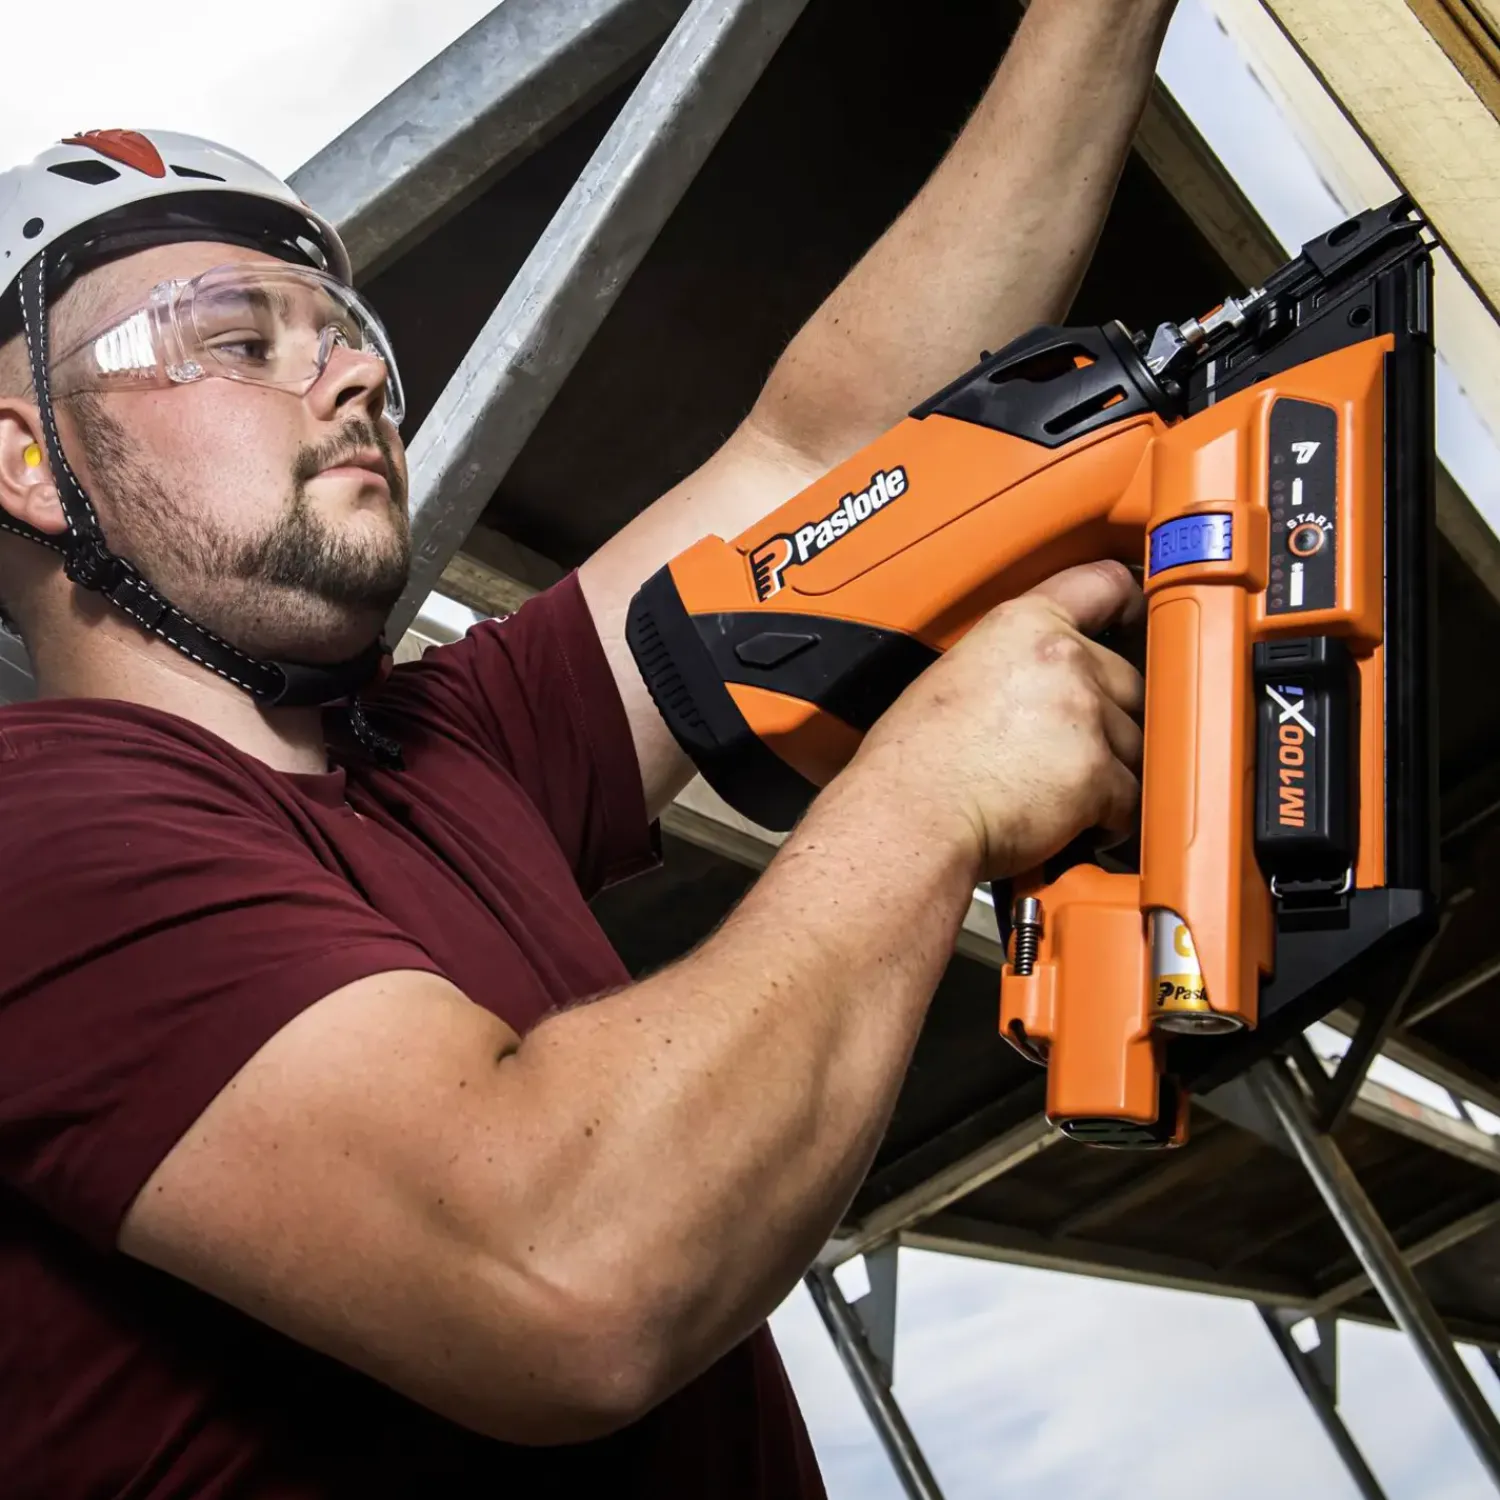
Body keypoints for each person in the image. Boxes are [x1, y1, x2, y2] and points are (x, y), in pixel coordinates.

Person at [0, 2, 1176, 1495]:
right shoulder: (31, 835)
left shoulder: (448, 754)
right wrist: (929, 795)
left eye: (350, 342)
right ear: (30, 466)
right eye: (237, 337)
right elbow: (558, 1273)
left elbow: (821, 458)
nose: (357, 378)